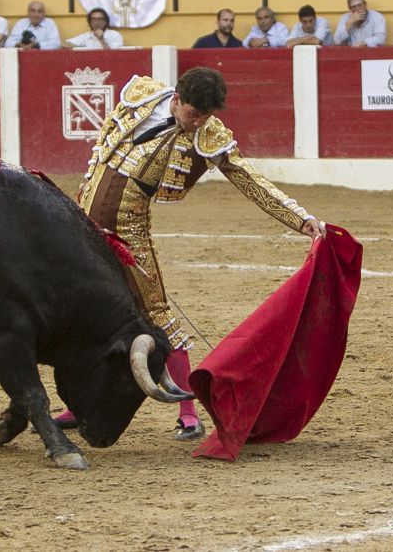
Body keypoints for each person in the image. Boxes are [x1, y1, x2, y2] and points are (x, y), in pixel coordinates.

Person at [52, 67, 326, 439]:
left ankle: (188, 412)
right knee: (84, 315)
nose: (198, 124)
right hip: (83, 222)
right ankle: (78, 405)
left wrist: (300, 218)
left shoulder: (208, 133)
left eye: (206, 117)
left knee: (158, 314)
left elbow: (248, 178)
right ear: (177, 99)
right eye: (193, 114)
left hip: (130, 231)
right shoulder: (143, 96)